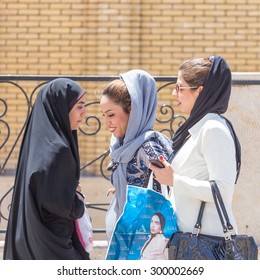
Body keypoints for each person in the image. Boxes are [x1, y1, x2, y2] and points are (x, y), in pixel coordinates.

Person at [150, 55, 241, 239]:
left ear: (200, 91)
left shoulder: (213, 129)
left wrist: (174, 179)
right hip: (189, 239)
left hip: (208, 243)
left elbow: (223, 190)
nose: (174, 94)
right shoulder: (195, 130)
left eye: (179, 88)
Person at [3, 78, 90, 260]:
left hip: (30, 242)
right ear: (61, 108)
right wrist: (78, 198)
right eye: (79, 106)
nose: (85, 113)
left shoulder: (37, 147)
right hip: (54, 246)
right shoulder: (59, 152)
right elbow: (67, 207)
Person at [100, 69, 173, 240]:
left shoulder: (150, 148)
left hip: (145, 247)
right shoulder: (122, 146)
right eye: (103, 115)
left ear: (133, 111)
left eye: (111, 114)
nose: (106, 122)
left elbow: (168, 190)